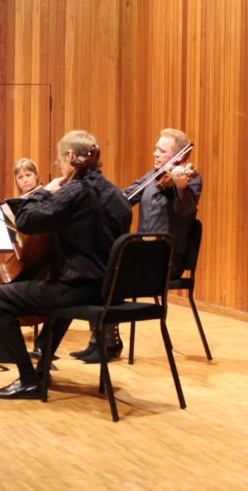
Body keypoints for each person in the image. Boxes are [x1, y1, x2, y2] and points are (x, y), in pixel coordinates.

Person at [0, 130, 132, 399]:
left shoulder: (75, 191)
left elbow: (26, 220)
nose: (60, 167)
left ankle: (29, 380)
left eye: (60, 161)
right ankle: (42, 367)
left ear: (70, 157)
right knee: (58, 298)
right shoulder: (117, 195)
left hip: (78, 287)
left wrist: (44, 192)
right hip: (108, 290)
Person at [69, 127, 201, 363]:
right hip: (142, 257)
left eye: (162, 150)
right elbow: (123, 198)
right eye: (156, 148)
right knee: (93, 268)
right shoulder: (153, 177)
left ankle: (109, 343)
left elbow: (186, 212)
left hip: (166, 261)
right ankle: (100, 340)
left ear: (179, 155)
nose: (155, 153)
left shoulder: (189, 179)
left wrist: (181, 187)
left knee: (107, 274)